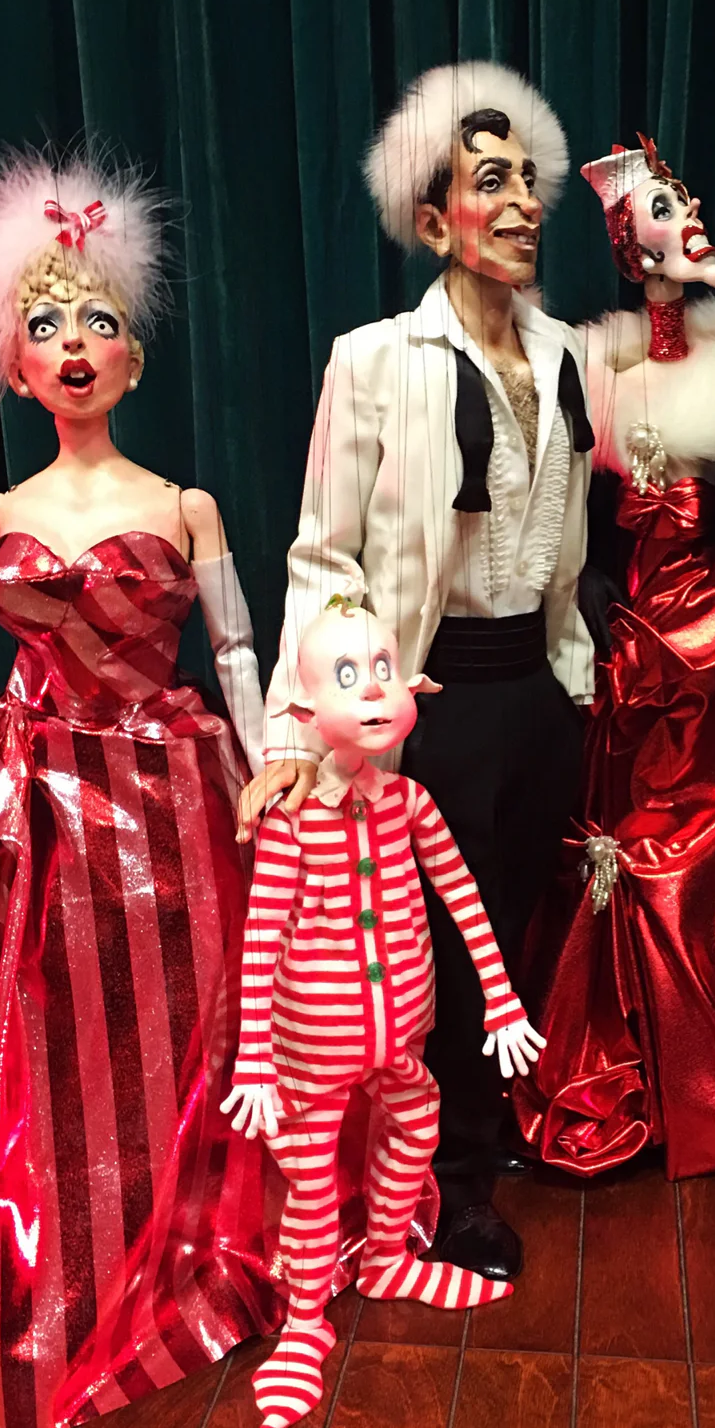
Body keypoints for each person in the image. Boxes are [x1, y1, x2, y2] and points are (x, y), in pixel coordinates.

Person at [0, 151, 282, 1428]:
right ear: (16, 367)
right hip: (27, 796)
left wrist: (268, 775)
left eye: (97, 320)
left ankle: (174, 1244)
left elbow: (239, 654)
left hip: (164, 791)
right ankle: (42, 1268)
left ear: (133, 355)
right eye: (46, 325)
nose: (73, 343)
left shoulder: (184, 506)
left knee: (169, 1032)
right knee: (37, 1039)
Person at [237, 63, 593, 1282]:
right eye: (492, 181)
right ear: (437, 221)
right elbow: (321, 552)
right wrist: (303, 729)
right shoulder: (377, 360)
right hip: (428, 702)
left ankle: (478, 1138)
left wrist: (573, 679)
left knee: (506, 927)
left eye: (529, 180)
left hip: (535, 696)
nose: (523, 202)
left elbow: (563, 544)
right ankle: (445, 1190)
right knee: (433, 948)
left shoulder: (565, 356)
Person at [512, 136, 715, 1178]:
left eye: (686, 200)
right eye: (664, 208)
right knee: (630, 835)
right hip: (635, 642)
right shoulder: (600, 377)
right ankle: (636, 1053)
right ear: (632, 250)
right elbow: (555, 514)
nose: (691, 219)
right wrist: (589, 601)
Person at [224, 598, 543, 1428]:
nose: (371, 691)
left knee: (416, 1120)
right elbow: (262, 933)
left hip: (404, 1027)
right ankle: (303, 1321)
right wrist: (255, 1055)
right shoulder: (291, 825)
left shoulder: (410, 802)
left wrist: (501, 998)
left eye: (382, 670)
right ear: (305, 708)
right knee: (310, 1169)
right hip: (314, 1040)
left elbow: (461, 894)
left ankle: (388, 1258)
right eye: (346, 675)